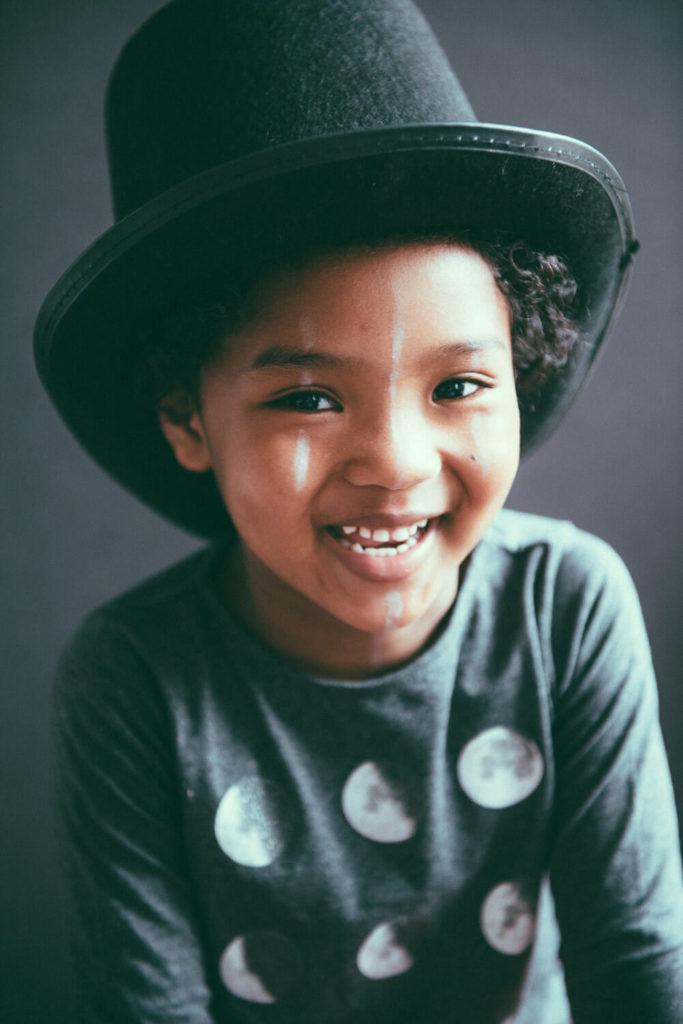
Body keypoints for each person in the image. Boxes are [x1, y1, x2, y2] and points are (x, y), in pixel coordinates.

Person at [34, 1, 683, 1022]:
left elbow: (638, 966)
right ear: (186, 417)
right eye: (305, 397)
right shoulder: (135, 680)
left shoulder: (565, 607)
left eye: (458, 385)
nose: (392, 464)